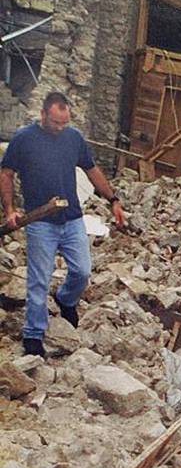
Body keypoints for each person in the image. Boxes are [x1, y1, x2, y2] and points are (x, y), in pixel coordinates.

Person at [0, 91, 125, 356]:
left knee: (82, 271)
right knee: (38, 280)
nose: (60, 127)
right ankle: (33, 336)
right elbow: (7, 173)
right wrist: (10, 210)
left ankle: (66, 299)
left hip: (72, 219)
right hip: (40, 221)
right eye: (55, 122)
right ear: (43, 114)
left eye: (64, 122)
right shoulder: (24, 139)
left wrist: (113, 198)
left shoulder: (73, 138)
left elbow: (92, 170)